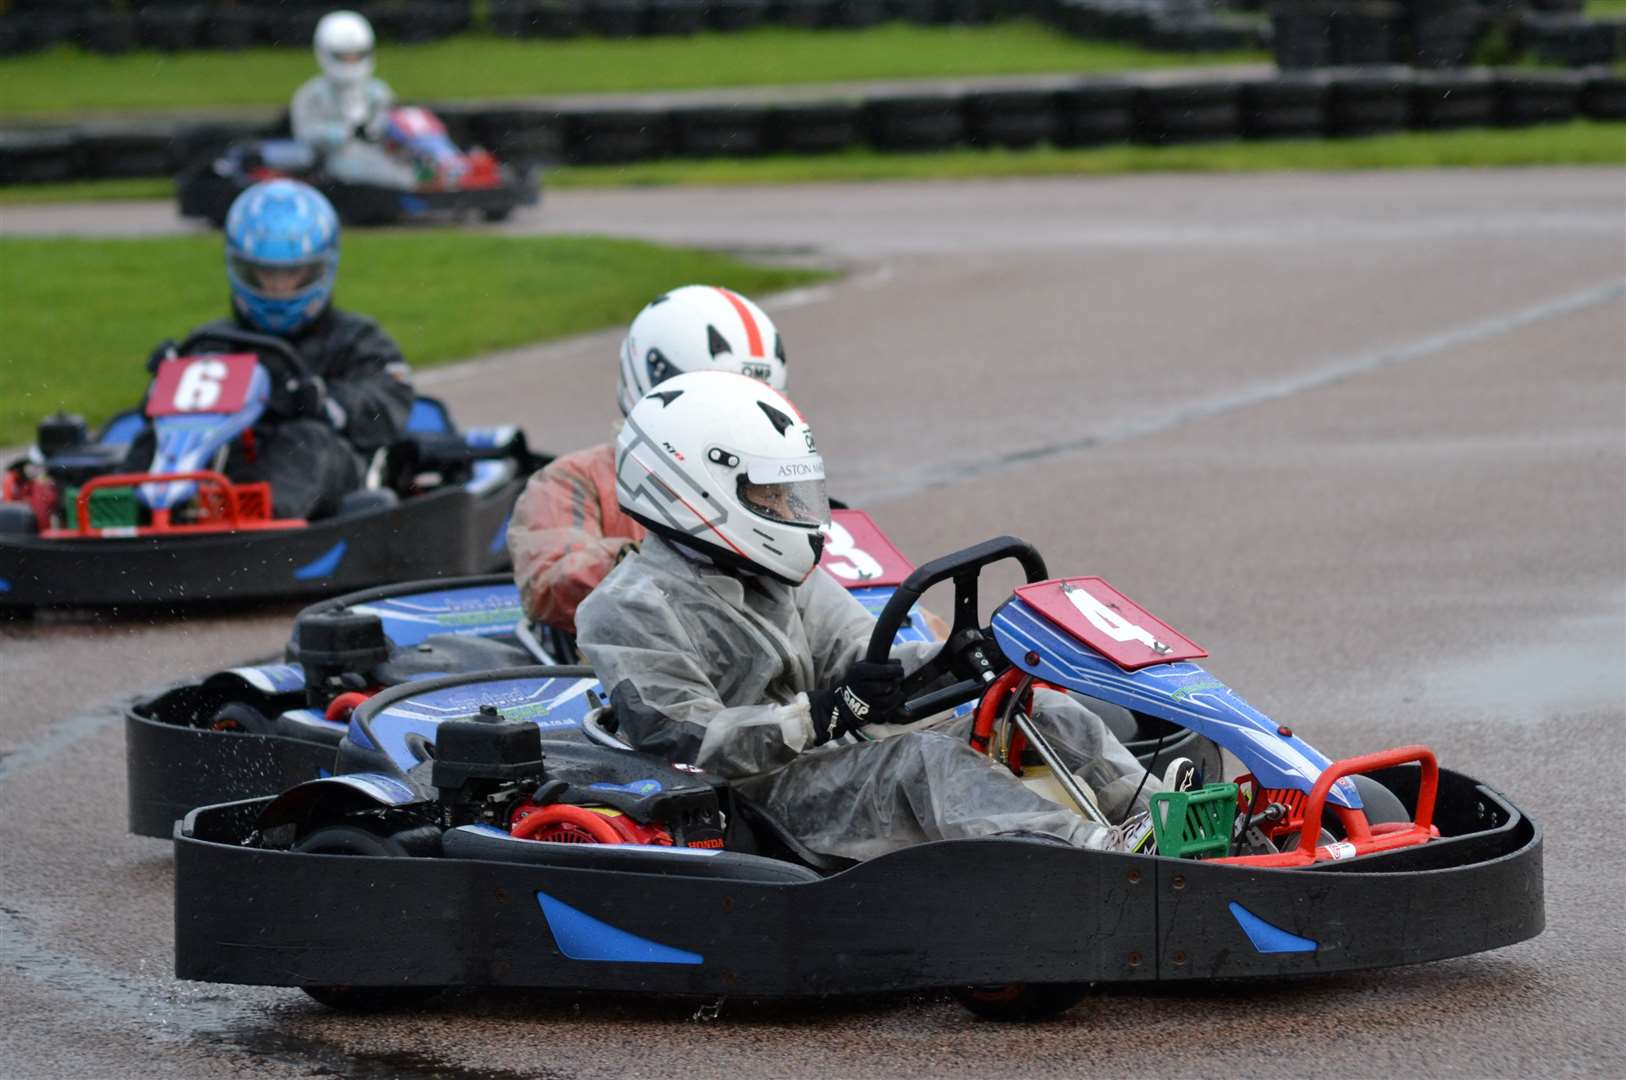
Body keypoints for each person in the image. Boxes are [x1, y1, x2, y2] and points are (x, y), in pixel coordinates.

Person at [575, 370, 1177, 862]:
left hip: (823, 764)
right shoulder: (626, 610)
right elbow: (693, 743)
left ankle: (1167, 824)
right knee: (921, 763)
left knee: (1034, 707)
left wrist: (958, 660)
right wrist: (824, 713)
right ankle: (1097, 859)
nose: (791, 514)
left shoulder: (774, 577)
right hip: (744, 804)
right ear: (691, 489)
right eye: (772, 499)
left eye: (793, 497)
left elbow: (869, 663)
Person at [506, 285, 788, 637]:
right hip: (633, 667)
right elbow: (553, 584)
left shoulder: (777, 483)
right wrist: (688, 559)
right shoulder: (575, 479)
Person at [134, 179, 413, 520]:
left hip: (322, 477)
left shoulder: (356, 339)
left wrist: (322, 400)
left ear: (321, 268)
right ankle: (120, 520)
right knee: (150, 442)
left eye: (292, 274)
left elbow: (389, 405)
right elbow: (176, 426)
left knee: (305, 441)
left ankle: (260, 527)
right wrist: (164, 386)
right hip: (224, 473)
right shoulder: (211, 341)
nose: (278, 287)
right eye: (264, 274)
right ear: (241, 269)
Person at [290, 10, 415, 189]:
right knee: (355, 164)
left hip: (376, 151)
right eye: (344, 57)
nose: (351, 63)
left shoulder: (378, 91)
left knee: (404, 164)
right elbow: (306, 133)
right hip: (332, 157)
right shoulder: (310, 95)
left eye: (357, 56)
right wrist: (345, 132)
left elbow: (387, 121)